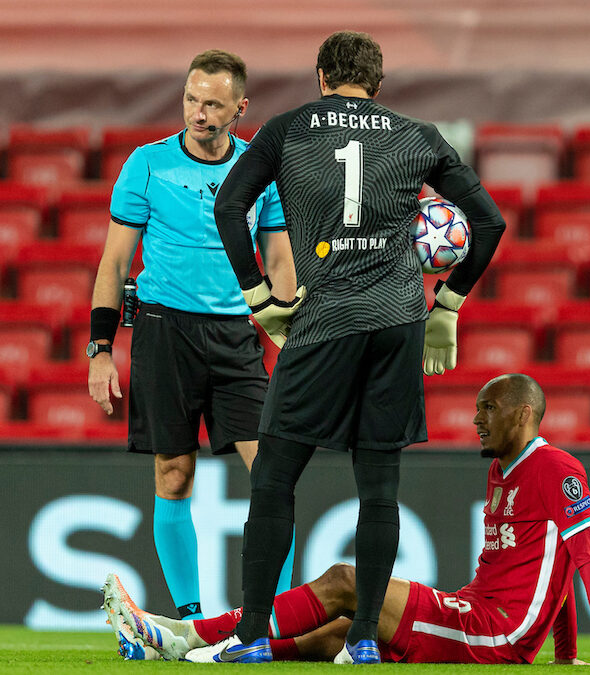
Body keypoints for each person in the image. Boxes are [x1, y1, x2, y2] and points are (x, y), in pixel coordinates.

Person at [208, 30, 507, 663]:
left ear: (320, 76)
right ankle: (365, 638)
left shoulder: (289, 128)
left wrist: (259, 297)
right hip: (397, 322)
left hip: (323, 322)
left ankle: (254, 633)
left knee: (275, 479)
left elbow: (231, 205)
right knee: (379, 489)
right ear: (378, 84)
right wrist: (446, 305)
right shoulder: (417, 135)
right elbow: (490, 221)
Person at [104, 374, 590, 667]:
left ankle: (186, 634)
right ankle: (204, 655)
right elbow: (555, 566)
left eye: (488, 410)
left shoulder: (556, 467)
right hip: (481, 612)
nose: (476, 420)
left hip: (494, 630)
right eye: (476, 410)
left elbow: (586, 557)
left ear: (524, 412)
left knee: (346, 583)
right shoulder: (504, 469)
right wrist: (565, 654)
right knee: (340, 634)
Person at [86, 48, 298, 645]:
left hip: (236, 335)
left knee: (272, 476)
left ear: (240, 108)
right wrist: (100, 347)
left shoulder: (261, 170)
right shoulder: (147, 165)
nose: (198, 113)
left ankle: (275, 617)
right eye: (190, 100)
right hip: (163, 329)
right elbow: (115, 261)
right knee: (174, 472)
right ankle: (191, 616)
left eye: (211, 103)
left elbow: (278, 258)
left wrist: (288, 325)